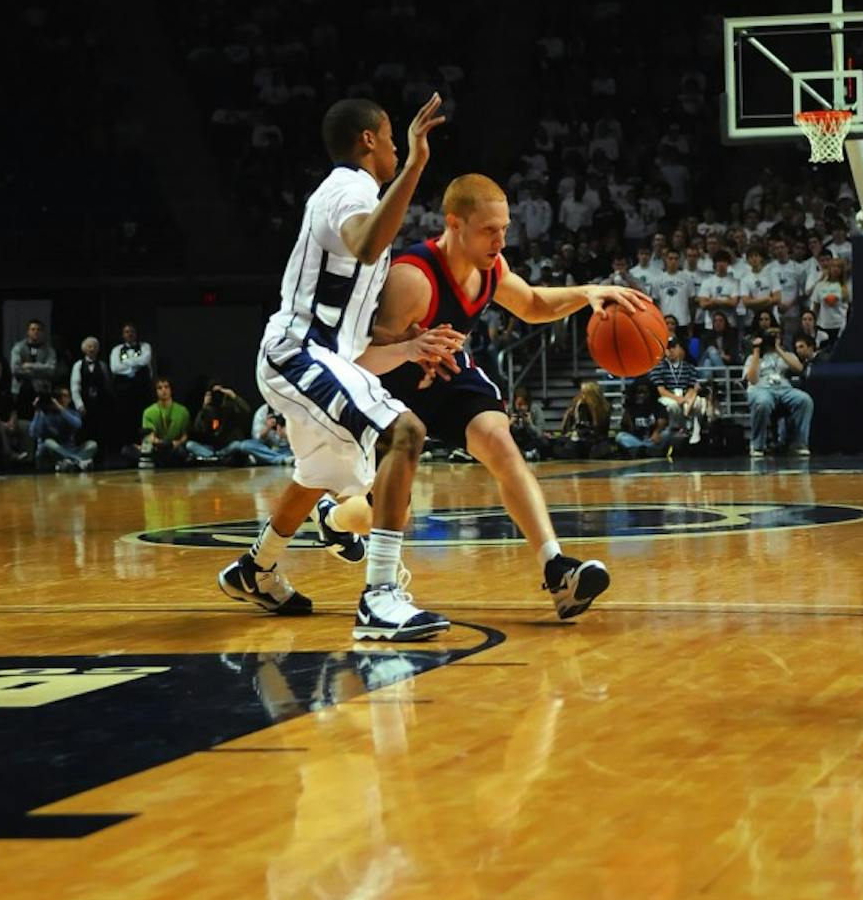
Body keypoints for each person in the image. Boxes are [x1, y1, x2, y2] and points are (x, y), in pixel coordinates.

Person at [218, 93, 464, 638]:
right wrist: (418, 164)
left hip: (316, 353)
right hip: (296, 352)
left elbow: (351, 336)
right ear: (368, 140)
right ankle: (380, 598)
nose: (398, 149)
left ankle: (255, 568)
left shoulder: (357, 196)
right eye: (393, 140)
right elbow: (368, 244)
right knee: (405, 431)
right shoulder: (349, 188)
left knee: (316, 477)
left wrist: (407, 345)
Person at [372, 173, 644, 618]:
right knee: (383, 514)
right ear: (454, 224)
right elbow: (360, 355)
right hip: (388, 389)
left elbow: (532, 304)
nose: (501, 241)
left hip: (446, 375)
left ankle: (557, 571)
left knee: (500, 440)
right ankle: (334, 519)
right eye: (489, 230)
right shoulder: (412, 279)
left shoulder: (490, 268)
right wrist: (409, 348)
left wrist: (588, 292)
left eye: (504, 228)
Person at [743, 321, 813, 458]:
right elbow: (752, 379)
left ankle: (799, 444)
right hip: (761, 388)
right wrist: (756, 351)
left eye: (776, 336)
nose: (772, 338)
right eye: (770, 336)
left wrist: (778, 349)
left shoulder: (787, 355)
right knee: (763, 402)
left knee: (805, 400)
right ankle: (757, 446)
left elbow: (799, 368)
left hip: (784, 388)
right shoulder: (752, 358)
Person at [29, 386, 98, 472]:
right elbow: (33, 433)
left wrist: (60, 408)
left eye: (66, 396)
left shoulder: (71, 412)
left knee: (92, 444)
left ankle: (67, 464)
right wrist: (37, 411)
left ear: (70, 399)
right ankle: (78, 462)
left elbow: (77, 425)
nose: (63, 399)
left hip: (69, 450)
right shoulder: (43, 414)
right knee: (48, 442)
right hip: (50, 453)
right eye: (60, 396)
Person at [110, 322, 155, 449]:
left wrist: (126, 363)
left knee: (143, 417)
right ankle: (127, 448)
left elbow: (145, 360)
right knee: (125, 419)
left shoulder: (145, 346)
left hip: (142, 390)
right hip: (124, 391)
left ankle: (146, 447)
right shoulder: (116, 350)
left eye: (132, 331)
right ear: (123, 335)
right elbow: (115, 368)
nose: (129, 334)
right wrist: (134, 367)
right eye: (127, 332)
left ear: (136, 333)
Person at [70, 337, 115, 459]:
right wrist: (79, 405)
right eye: (89, 346)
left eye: (94, 347)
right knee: (85, 431)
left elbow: (108, 386)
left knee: (100, 432)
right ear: (84, 349)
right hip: (85, 405)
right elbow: (75, 387)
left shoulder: (103, 365)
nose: (92, 349)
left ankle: (100, 459)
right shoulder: (78, 365)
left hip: (100, 405)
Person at [10, 319, 59, 420]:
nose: (36, 332)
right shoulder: (18, 347)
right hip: (20, 390)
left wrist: (30, 365)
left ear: (42, 332)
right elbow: (15, 369)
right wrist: (40, 370)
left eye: (38, 329)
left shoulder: (49, 350)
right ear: (28, 331)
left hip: (41, 391)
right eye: (33, 329)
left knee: (40, 421)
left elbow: (51, 370)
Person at [138, 377, 193, 467]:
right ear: (156, 391)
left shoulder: (183, 411)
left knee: (182, 451)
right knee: (128, 450)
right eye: (160, 388)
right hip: (157, 448)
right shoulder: (148, 412)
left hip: (175, 447)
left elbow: (185, 435)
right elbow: (150, 437)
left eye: (166, 387)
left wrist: (176, 443)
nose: (164, 390)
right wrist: (162, 444)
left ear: (171, 389)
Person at [507, 386, 549, 462]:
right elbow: (501, 432)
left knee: (544, 442)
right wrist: (509, 423)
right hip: (515, 441)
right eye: (519, 404)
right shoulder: (509, 410)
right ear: (514, 403)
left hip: (530, 440)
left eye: (525, 404)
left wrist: (530, 424)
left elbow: (539, 433)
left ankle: (528, 453)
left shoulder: (536, 410)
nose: (522, 407)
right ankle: (524, 454)